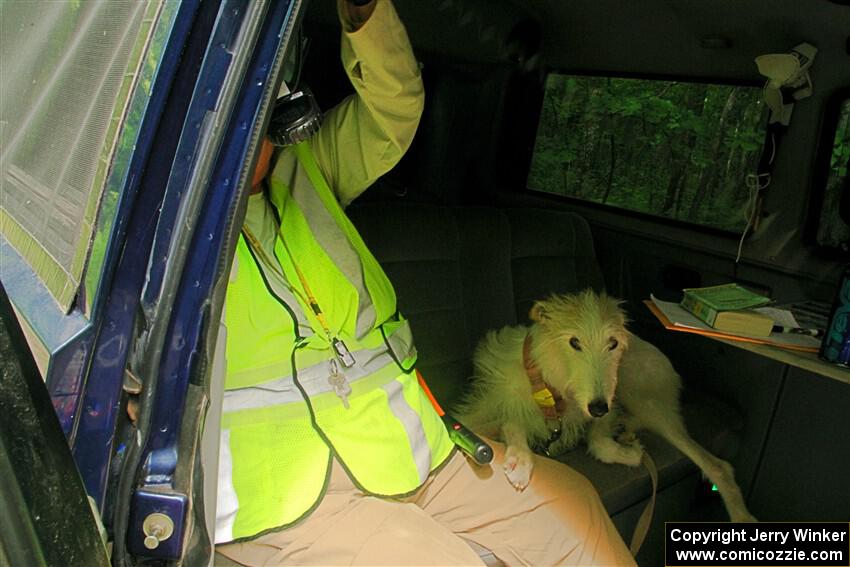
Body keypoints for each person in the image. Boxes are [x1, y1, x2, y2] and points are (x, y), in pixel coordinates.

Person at [215, 0, 635, 564]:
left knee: (574, 510)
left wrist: (364, 15)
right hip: (284, 497)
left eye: (269, 114)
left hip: (411, 453)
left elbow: (395, 107)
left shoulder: (308, 167)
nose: (259, 143)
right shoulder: (166, 234)